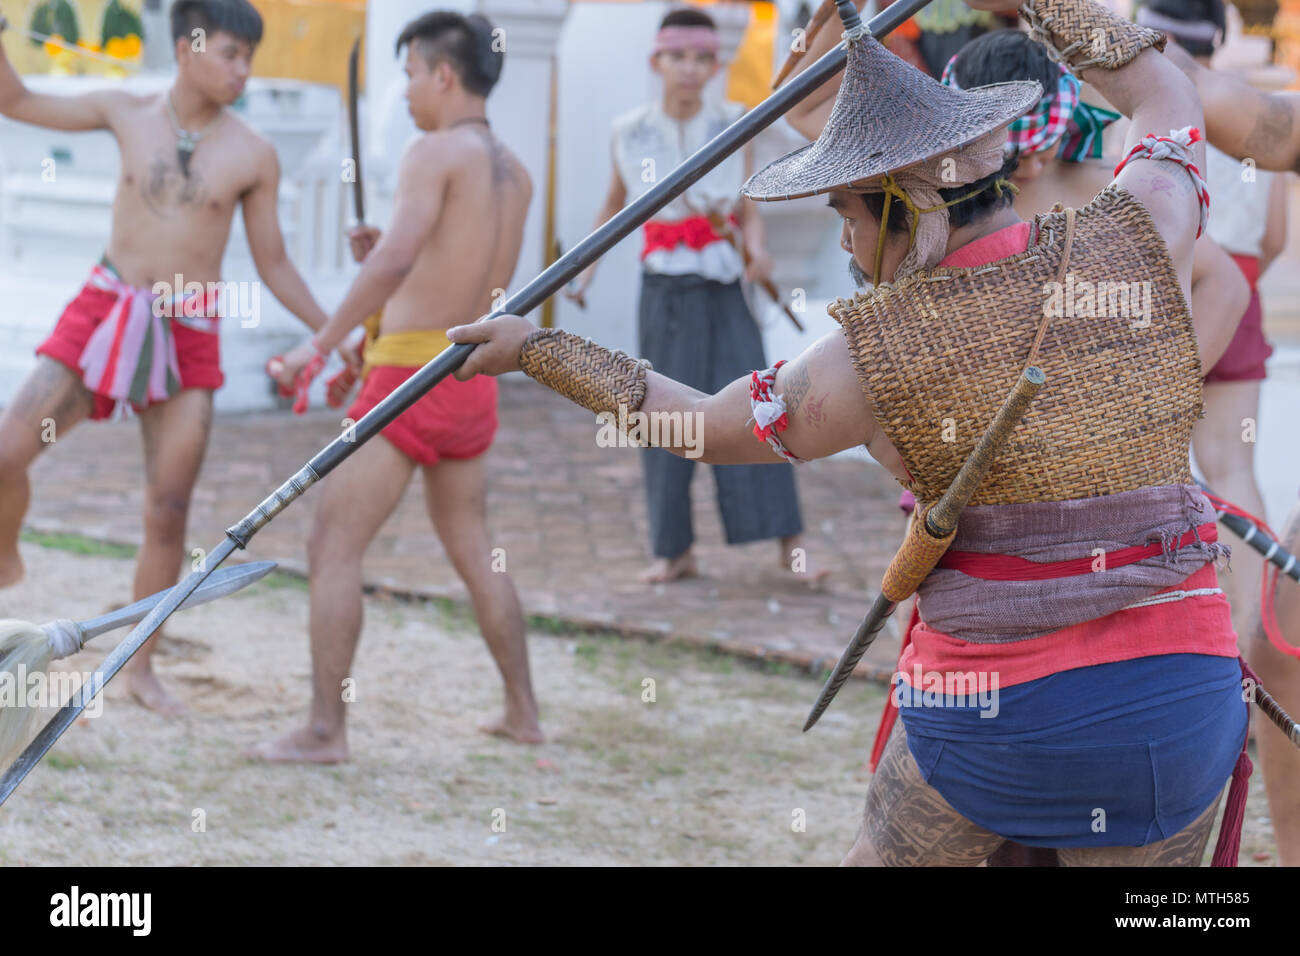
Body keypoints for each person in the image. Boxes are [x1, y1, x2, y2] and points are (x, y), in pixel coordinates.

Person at [446, 0, 1255, 864]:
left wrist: (541, 350)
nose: (841, 237)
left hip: (998, 709)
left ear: (911, 203)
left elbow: (706, 425)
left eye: (849, 214)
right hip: (1177, 696)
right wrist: (1049, 1)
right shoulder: (1142, 232)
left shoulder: (873, 355)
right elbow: (1166, 91)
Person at [0, 0, 334, 715]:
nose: (243, 70)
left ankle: (140, 666)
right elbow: (16, 99)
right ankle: (6, 556)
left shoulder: (253, 153)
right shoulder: (125, 110)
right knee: (6, 453)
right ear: (188, 45)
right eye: (230, 53)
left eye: (250, 57)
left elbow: (274, 263)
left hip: (189, 330)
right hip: (106, 308)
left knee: (170, 507)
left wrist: (335, 330)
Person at [247, 10, 541, 763]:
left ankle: (325, 730)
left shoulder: (433, 149)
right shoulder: (517, 173)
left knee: (331, 542)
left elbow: (395, 262)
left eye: (410, 73)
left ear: (444, 74)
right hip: (471, 377)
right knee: (476, 549)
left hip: (409, 378)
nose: (406, 91)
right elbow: (462, 271)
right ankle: (523, 714)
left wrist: (319, 342)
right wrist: (391, 262)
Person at [565, 7, 820, 587]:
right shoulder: (628, 130)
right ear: (657, 61)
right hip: (666, 291)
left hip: (726, 285)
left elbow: (746, 207)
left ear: (714, 65)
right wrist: (586, 269)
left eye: (701, 58)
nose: (688, 68)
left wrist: (757, 250)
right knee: (659, 416)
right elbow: (614, 205)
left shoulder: (734, 123)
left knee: (762, 407)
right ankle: (673, 549)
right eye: (677, 56)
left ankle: (790, 544)